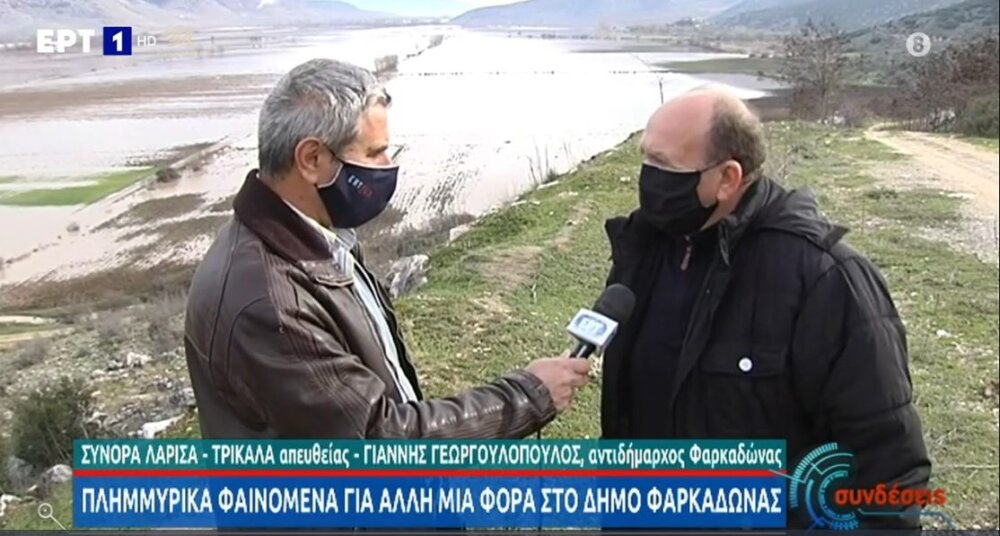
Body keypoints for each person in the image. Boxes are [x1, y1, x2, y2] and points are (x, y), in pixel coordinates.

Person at [184, 58, 591, 439]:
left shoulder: (318, 241)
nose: (388, 165)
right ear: (311, 159)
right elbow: (380, 437)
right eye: (375, 152)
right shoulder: (270, 304)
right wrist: (528, 396)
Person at [599, 87, 931, 528]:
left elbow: (888, 471)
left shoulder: (825, 279)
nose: (647, 177)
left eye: (663, 164)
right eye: (645, 157)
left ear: (728, 178)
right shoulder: (644, 249)